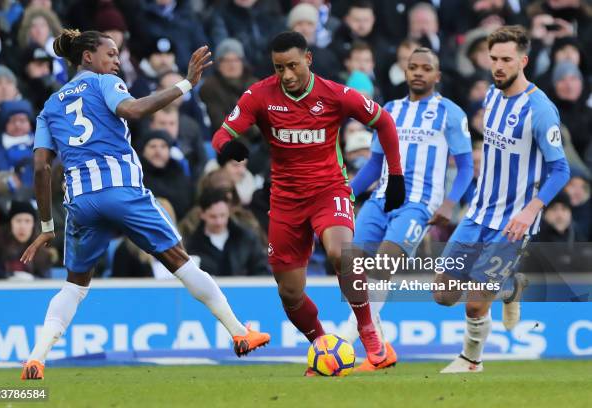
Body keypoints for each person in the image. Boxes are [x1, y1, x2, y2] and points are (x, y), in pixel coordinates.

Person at [20, 29, 269, 381]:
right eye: (111, 53)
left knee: (74, 287)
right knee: (180, 261)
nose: (117, 60)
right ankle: (239, 332)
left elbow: (41, 167)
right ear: (88, 57)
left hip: (81, 200)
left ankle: (36, 357)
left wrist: (47, 227)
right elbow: (133, 110)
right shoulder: (102, 83)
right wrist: (186, 84)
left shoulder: (49, 106)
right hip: (121, 191)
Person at [211, 31, 405, 376]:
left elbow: (384, 123)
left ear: (308, 60)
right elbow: (222, 134)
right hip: (285, 201)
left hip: (329, 191)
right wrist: (227, 147)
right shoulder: (260, 95)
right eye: (279, 67)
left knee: (340, 253)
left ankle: (370, 333)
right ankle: (322, 346)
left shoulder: (335, 94)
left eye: (293, 65)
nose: (287, 74)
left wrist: (397, 176)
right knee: (290, 292)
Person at [435, 26, 570, 373]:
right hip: (478, 213)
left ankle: (471, 360)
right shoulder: (491, 97)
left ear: (522, 61)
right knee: (444, 295)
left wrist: (529, 212)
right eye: (494, 58)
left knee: (475, 305)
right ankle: (511, 286)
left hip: (513, 223)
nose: (498, 65)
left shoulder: (540, 110)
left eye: (506, 59)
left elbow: (560, 171)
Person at [339, 47, 474, 371]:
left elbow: (467, 168)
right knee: (349, 267)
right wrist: (344, 194)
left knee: (382, 265)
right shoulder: (389, 110)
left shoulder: (450, 113)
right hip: (381, 198)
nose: (418, 72)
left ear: (436, 75)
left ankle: (348, 334)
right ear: (405, 70)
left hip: (418, 205)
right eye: (412, 67)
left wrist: (449, 203)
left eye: (425, 68)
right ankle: (380, 347)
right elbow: (373, 165)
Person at [187, 188, 270, 276]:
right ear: (202, 214)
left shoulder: (246, 239)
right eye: (213, 216)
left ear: (229, 212)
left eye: (222, 215)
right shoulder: (192, 244)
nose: (219, 222)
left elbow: (261, 270)